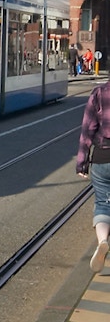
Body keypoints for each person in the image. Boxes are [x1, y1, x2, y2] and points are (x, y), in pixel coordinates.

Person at [77, 80, 110, 272]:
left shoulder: (99, 93)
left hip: (102, 157)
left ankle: (103, 241)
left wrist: (82, 162)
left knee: (103, 203)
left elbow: (87, 130)